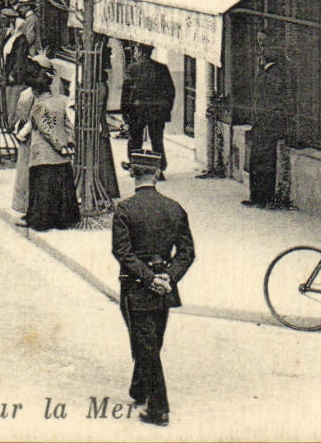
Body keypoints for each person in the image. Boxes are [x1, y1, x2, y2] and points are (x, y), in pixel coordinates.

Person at [112, 150, 196, 427]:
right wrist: (168, 277)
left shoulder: (125, 210)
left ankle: (159, 409)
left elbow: (123, 253)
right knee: (151, 339)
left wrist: (149, 278)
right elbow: (187, 252)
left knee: (146, 344)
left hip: (137, 287)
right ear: (157, 174)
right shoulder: (174, 208)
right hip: (165, 289)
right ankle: (139, 389)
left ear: (133, 174)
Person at [14, 56, 80, 231]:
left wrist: (60, 145)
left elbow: (46, 130)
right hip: (61, 157)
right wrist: (70, 142)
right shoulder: (59, 101)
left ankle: (40, 220)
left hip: (42, 154)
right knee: (62, 188)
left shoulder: (38, 107)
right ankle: (63, 219)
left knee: (42, 190)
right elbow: (67, 123)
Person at [122, 45, 176, 177]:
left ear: (139, 52)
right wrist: (166, 109)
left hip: (138, 109)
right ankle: (159, 169)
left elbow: (126, 93)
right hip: (158, 110)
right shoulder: (161, 68)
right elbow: (171, 91)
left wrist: (125, 112)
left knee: (135, 140)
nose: (134, 53)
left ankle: (136, 167)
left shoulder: (132, 68)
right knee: (157, 140)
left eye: (135, 50)